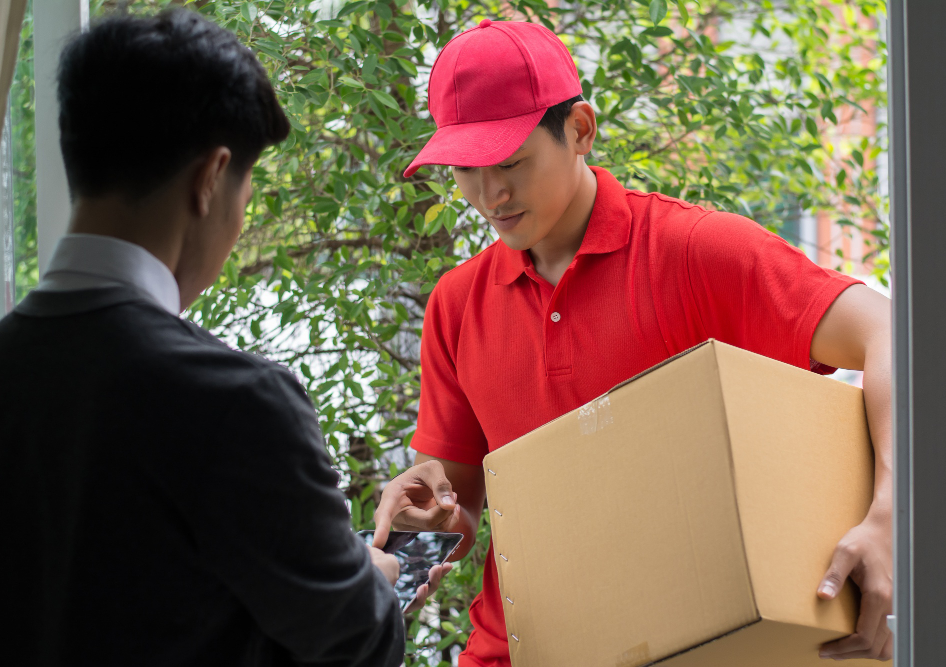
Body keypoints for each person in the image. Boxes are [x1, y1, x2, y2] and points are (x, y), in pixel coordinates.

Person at [373, 18, 893, 665]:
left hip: (696, 645)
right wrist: (421, 522)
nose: (490, 194)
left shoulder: (695, 252)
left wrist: (889, 518)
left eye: (510, 162)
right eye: (466, 170)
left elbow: (891, 334)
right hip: (518, 653)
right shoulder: (457, 304)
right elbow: (459, 506)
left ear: (581, 130)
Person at [0, 9, 447, 666]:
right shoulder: (237, 403)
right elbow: (355, 643)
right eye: (247, 187)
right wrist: (374, 574)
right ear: (210, 178)